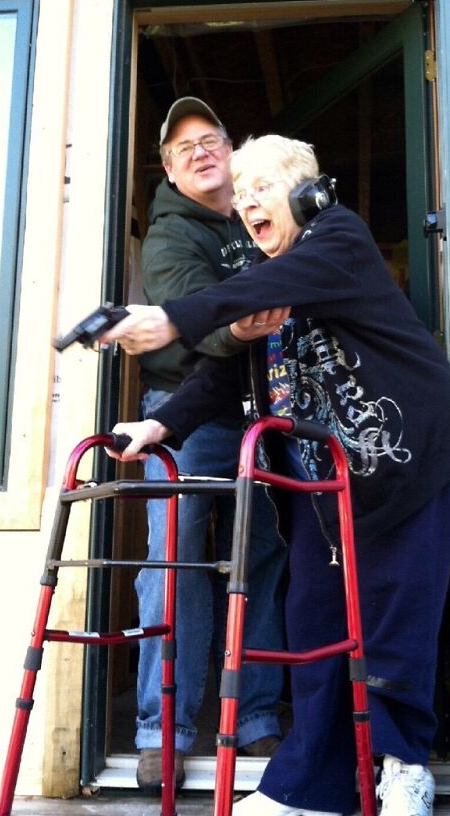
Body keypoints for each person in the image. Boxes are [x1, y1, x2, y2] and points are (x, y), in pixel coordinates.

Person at [102, 134, 450, 816]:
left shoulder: (338, 240)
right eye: (239, 195)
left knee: (396, 622)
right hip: (319, 494)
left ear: (305, 193)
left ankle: (403, 765)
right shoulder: (271, 285)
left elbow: (255, 289)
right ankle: (312, 785)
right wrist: (158, 426)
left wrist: (174, 316)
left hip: (401, 471)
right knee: (313, 623)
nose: (245, 203)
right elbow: (225, 374)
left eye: (260, 187)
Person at [130, 101, 288, 793]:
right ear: (168, 168)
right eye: (183, 147)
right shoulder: (169, 237)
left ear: (233, 148)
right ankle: (159, 731)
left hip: (266, 413)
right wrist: (251, 322)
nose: (200, 152)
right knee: (174, 564)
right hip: (184, 416)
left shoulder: (265, 216)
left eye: (211, 139)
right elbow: (198, 328)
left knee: (262, 560)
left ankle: (255, 719)